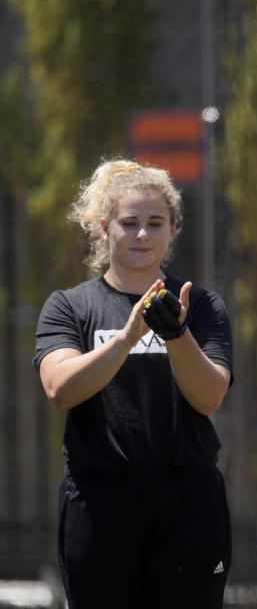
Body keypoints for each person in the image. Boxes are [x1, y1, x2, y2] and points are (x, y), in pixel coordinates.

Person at [34, 160, 234, 609]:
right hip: (99, 503)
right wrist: (127, 337)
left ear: (174, 229)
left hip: (187, 502)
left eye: (155, 223)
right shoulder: (70, 306)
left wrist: (176, 334)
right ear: (105, 229)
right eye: (129, 223)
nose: (142, 234)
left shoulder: (200, 306)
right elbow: (60, 390)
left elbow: (209, 396)